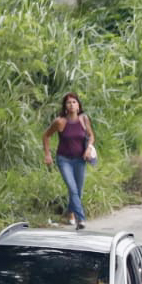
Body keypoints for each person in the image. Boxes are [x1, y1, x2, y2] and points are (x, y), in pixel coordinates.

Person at [42, 93, 95, 230]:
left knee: (78, 190)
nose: (71, 104)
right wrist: (47, 154)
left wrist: (88, 148)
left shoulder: (84, 119)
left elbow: (91, 136)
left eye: (74, 102)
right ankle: (81, 219)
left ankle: (69, 212)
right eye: (68, 102)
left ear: (78, 106)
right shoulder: (60, 122)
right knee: (72, 189)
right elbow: (46, 135)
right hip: (64, 160)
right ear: (65, 106)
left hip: (80, 160)